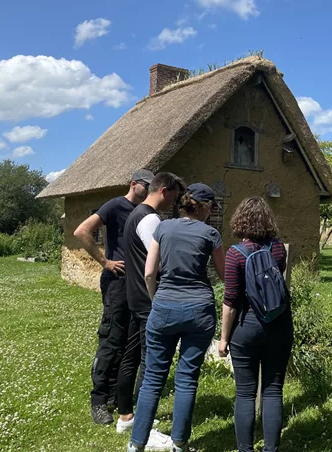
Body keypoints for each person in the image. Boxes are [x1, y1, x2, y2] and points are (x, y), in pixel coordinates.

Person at [127, 183, 226, 452]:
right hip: (199, 310)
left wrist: (155, 298)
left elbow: (150, 273)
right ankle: (180, 443)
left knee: (153, 379)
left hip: (163, 307)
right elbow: (224, 274)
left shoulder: (163, 228)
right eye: (212, 208)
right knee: (186, 378)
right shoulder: (211, 234)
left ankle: (136, 444)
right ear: (204, 207)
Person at [74, 168, 154, 426]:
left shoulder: (145, 212)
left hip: (135, 284)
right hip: (117, 282)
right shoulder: (116, 205)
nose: (150, 190)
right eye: (146, 185)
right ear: (133, 184)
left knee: (129, 341)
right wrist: (104, 261)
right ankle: (98, 401)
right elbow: (82, 231)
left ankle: (116, 394)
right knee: (111, 339)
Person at [218, 197, 293, 452]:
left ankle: (245, 449)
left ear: (239, 221)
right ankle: (271, 449)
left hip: (246, 327)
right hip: (279, 325)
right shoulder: (278, 249)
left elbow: (230, 301)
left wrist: (224, 338)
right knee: (273, 390)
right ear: (268, 221)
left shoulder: (234, 255)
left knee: (245, 393)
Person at [115, 172, 185, 439]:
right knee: (149, 362)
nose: (174, 204)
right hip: (147, 300)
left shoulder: (136, 214)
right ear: (164, 191)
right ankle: (144, 426)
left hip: (134, 297)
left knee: (130, 356)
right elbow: (158, 262)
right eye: (174, 197)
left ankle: (126, 416)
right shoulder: (151, 219)